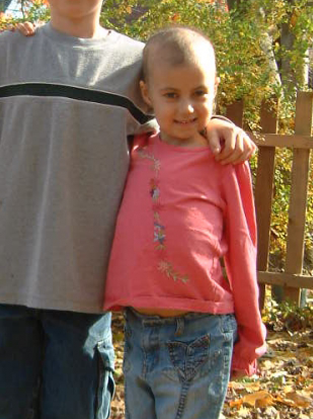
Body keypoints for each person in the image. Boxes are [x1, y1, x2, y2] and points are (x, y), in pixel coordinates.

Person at [0, 0, 257, 417]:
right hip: (0, 288)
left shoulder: (135, 67)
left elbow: (178, 111)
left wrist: (213, 123)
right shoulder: (2, 56)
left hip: (84, 294)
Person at [103, 26, 267, 419]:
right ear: (147, 93)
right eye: (171, 95)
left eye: (199, 94)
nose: (187, 109)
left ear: (215, 88)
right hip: (139, 330)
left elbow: (243, 245)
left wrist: (251, 334)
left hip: (202, 332)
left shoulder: (223, 160)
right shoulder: (135, 150)